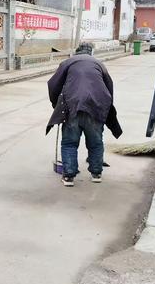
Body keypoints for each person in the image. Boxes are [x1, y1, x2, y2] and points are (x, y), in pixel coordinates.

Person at [46, 42, 122, 187]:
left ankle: (68, 176)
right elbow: (109, 88)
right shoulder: (99, 64)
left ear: (77, 52)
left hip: (72, 107)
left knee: (69, 142)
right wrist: (105, 108)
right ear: (91, 52)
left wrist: (56, 104)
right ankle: (96, 173)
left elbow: (53, 85)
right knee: (95, 142)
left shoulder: (68, 62)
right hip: (96, 107)